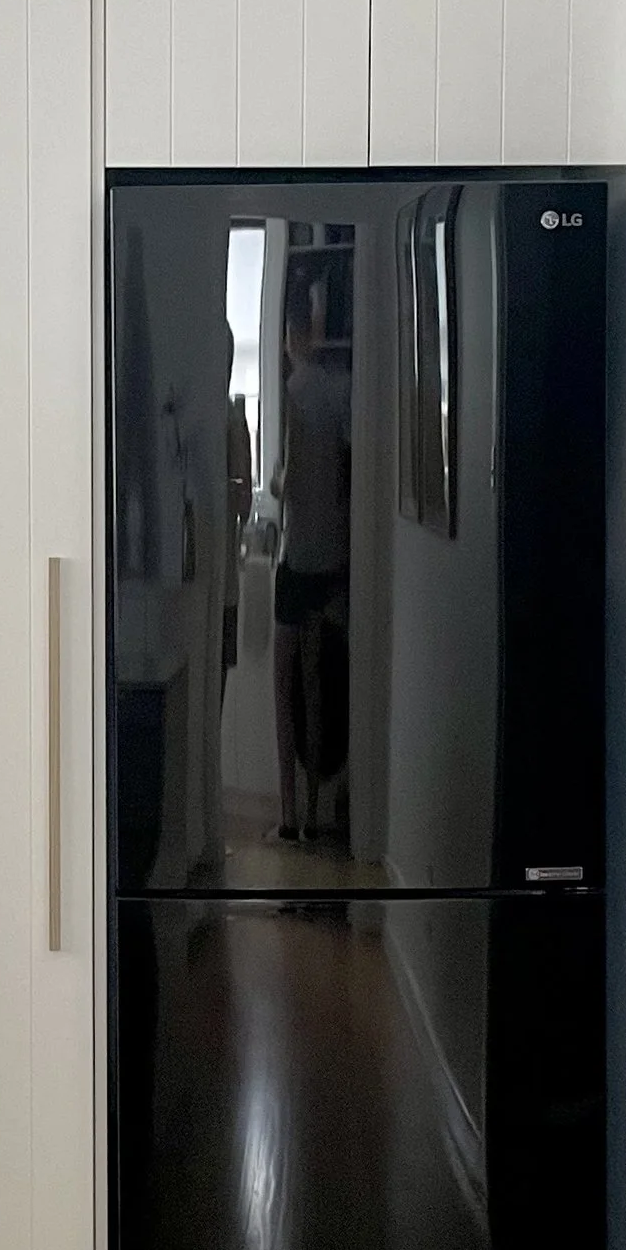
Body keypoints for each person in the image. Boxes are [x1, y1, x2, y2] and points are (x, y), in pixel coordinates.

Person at [269, 267, 352, 840]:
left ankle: (289, 816)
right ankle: (320, 810)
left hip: (297, 559)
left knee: (285, 688)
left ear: (290, 333)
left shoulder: (295, 390)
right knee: (319, 687)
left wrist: (277, 481)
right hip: (333, 558)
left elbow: (290, 483)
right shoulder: (343, 387)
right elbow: (344, 475)